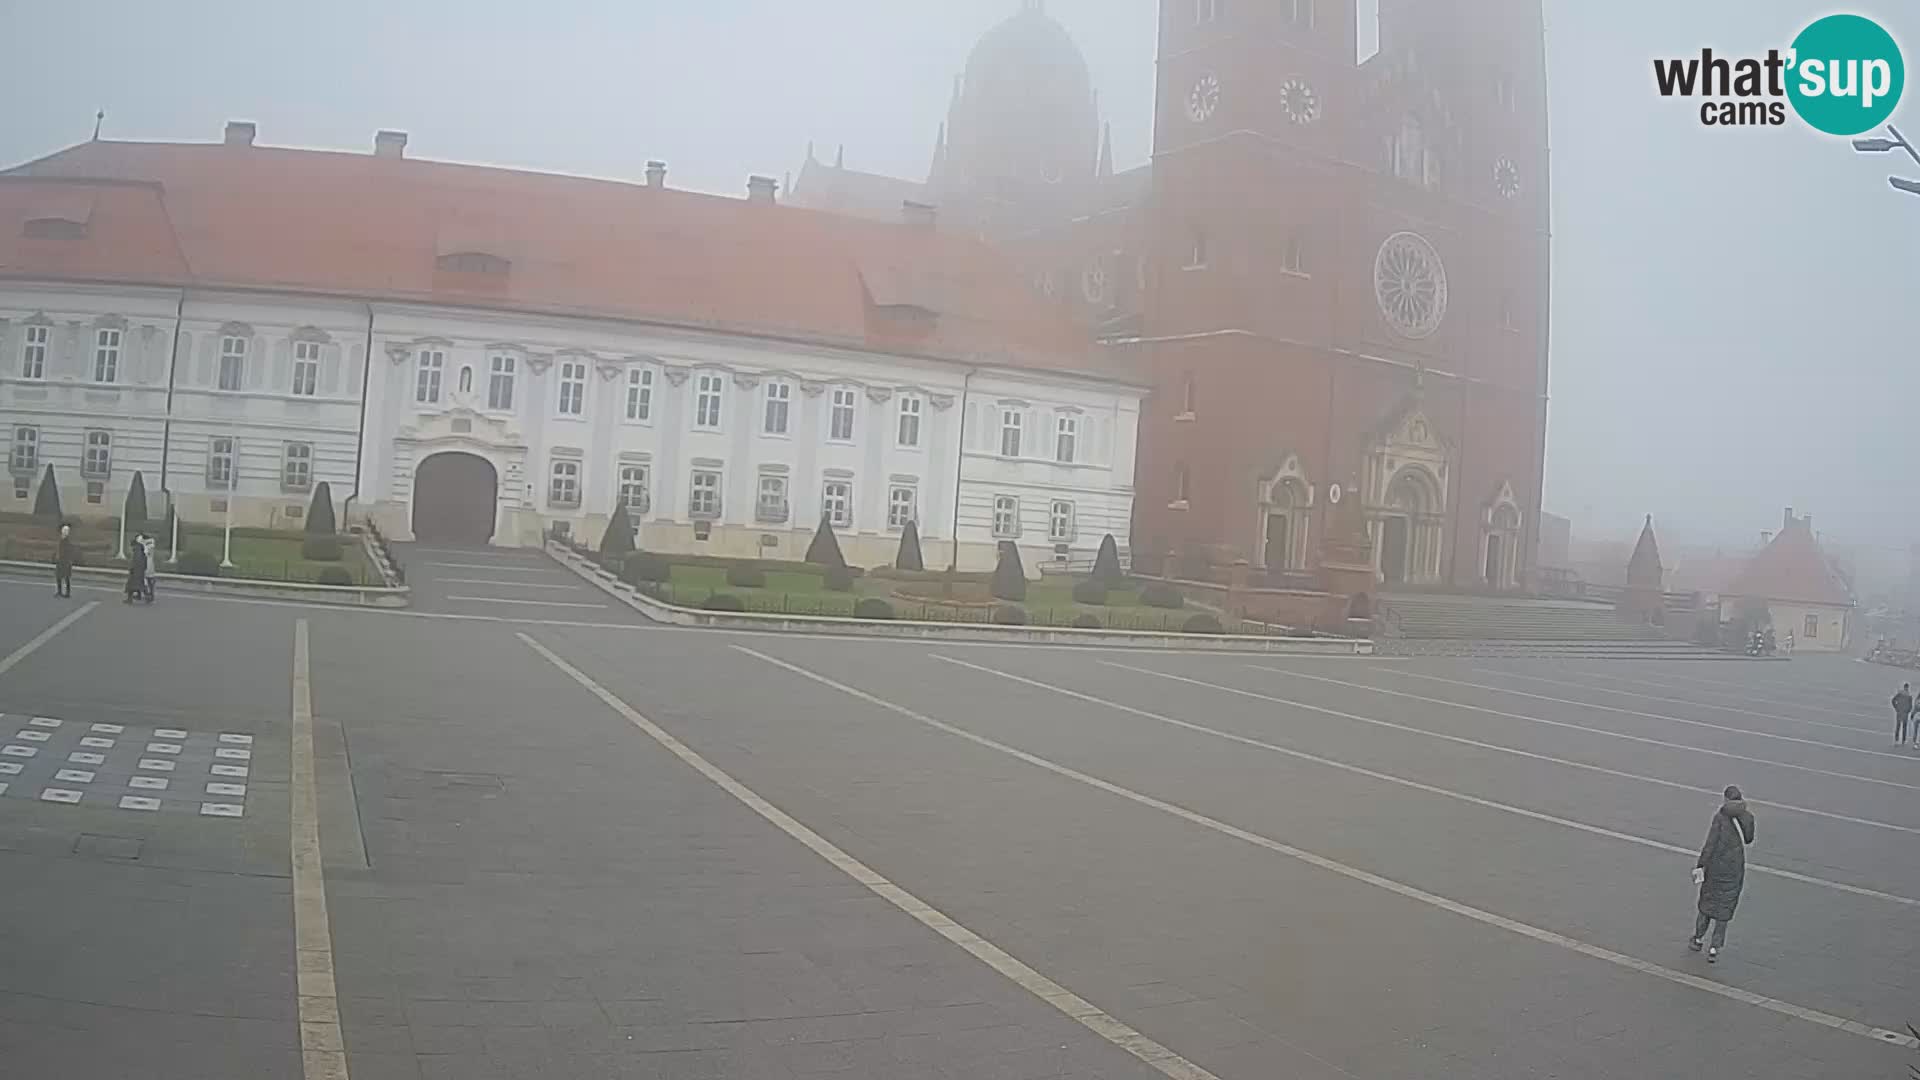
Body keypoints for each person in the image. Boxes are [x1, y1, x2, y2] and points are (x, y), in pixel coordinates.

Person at [1690, 785, 1756, 962]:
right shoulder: (1748, 816)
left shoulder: (1720, 817)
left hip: (1716, 868)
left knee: (1707, 905)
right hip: (1734, 868)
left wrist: (1701, 865)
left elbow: (1710, 843)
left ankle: (1697, 939)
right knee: (1724, 910)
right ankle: (1714, 949)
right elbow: (1749, 839)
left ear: (1726, 798)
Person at [124, 536, 148, 605]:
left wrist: (131, 568)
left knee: (131, 585)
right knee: (140, 585)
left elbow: (135, 561)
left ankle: (129, 599)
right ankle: (145, 597)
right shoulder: (142, 549)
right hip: (140, 571)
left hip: (135, 571)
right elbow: (144, 561)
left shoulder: (137, 550)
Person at [53, 524, 75, 597]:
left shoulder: (67, 541)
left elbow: (68, 551)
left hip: (65, 561)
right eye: (64, 530)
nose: (64, 532)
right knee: (58, 576)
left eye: (66, 531)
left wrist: (69, 560)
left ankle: (67, 593)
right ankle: (60, 591)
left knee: (66, 577)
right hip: (60, 561)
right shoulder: (61, 539)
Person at [137, 533, 157, 603]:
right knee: (150, 581)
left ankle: (147, 595)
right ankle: (150, 596)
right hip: (150, 565)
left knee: (143, 581)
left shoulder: (143, 544)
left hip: (145, 565)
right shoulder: (151, 543)